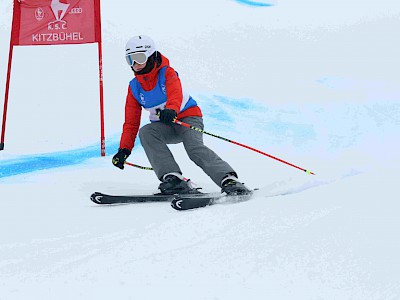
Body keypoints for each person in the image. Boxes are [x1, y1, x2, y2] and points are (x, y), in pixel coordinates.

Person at [112, 35, 249, 195]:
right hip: (165, 126)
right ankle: (173, 178)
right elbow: (131, 123)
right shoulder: (134, 87)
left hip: (187, 118)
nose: (135, 64)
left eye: (139, 58)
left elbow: (175, 93)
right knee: (147, 132)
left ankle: (229, 180)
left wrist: (171, 109)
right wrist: (124, 150)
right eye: (130, 60)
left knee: (194, 148)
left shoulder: (167, 73)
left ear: (150, 56)